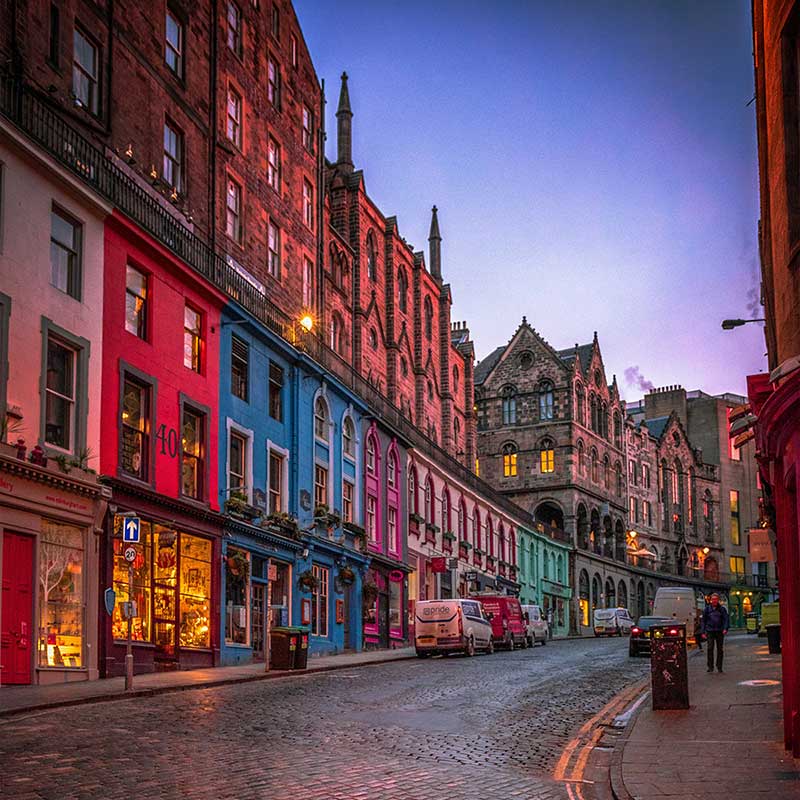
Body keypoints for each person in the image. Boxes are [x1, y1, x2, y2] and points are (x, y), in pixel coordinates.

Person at [701, 593, 729, 673]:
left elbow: (726, 619)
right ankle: (710, 667)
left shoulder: (722, 609)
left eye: (716, 599)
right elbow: (703, 621)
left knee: (720, 649)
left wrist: (725, 628)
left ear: (718, 600)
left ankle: (719, 666)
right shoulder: (707, 609)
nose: (714, 601)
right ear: (710, 600)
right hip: (710, 631)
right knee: (710, 648)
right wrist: (703, 632)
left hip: (719, 631)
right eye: (713, 599)